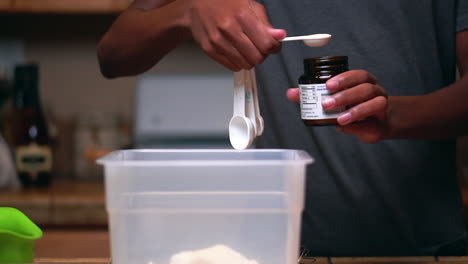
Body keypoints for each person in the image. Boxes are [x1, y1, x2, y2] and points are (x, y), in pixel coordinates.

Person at [97, 0, 468, 256]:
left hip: (427, 249)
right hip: (280, 251)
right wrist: (188, 10)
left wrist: (394, 117)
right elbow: (114, 53)